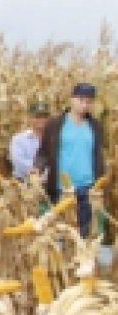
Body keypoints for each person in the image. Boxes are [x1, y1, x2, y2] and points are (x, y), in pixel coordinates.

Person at [36, 83, 105, 236]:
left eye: (88, 101)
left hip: (88, 189)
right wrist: (37, 169)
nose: (84, 105)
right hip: (62, 190)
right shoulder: (55, 124)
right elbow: (43, 153)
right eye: (81, 100)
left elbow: (99, 156)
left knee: (84, 234)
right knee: (61, 234)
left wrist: (100, 184)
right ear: (72, 99)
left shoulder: (95, 126)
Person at [9, 102, 50, 180]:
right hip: (23, 183)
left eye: (44, 117)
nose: (41, 120)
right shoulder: (19, 139)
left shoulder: (55, 139)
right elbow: (18, 162)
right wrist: (39, 171)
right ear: (29, 119)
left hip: (48, 183)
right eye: (37, 117)